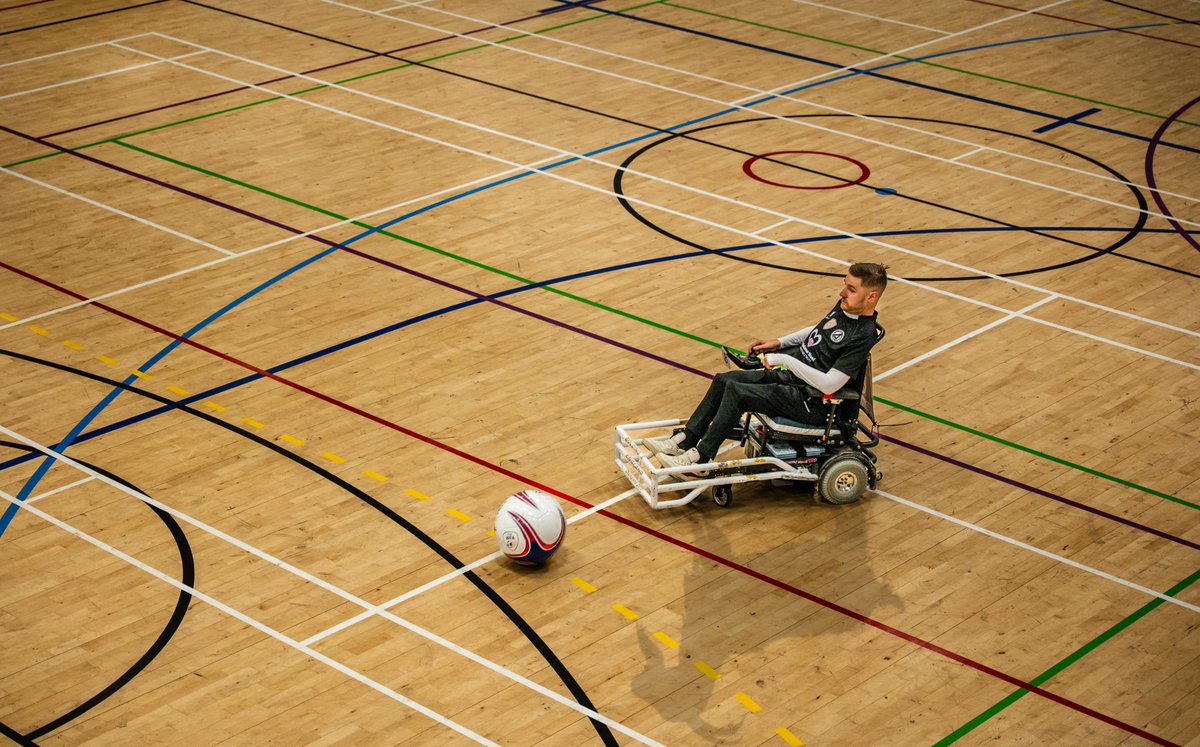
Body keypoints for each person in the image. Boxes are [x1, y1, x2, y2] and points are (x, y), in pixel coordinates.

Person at [648, 262, 888, 470]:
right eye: (845, 284)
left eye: (851, 289)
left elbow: (831, 383)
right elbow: (818, 329)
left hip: (812, 402)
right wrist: (779, 342)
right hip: (793, 382)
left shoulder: (862, 335)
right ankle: (686, 440)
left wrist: (783, 360)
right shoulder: (846, 307)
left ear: (871, 297)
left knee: (739, 392)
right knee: (724, 379)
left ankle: (700, 459)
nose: (842, 292)